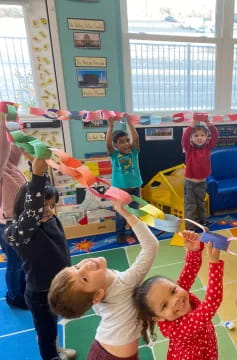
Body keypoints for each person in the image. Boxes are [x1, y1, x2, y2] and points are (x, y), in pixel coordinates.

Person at [48, 200, 158, 360]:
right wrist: (127, 214)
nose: (85, 265)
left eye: (77, 267)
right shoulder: (125, 283)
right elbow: (151, 246)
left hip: (102, 348)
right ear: (97, 296)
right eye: (84, 278)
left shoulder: (95, 295)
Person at [4, 158, 76, 360]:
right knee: (46, 334)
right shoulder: (17, 233)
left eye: (52, 205)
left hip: (57, 288)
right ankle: (51, 357)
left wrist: (39, 167)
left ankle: (57, 351)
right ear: (26, 206)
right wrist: (36, 177)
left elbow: (40, 197)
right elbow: (31, 214)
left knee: (53, 325)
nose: (49, 210)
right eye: (43, 206)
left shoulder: (51, 219)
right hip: (40, 294)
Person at [133, 231, 223, 360]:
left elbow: (190, 269)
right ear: (158, 318)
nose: (175, 300)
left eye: (173, 291)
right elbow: (213, 301)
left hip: (206, 347)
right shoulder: (180, 329)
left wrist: (194, 250)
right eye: (164, 305)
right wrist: (215, 265)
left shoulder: (178, 297)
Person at [0, 111, 27, 309]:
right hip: (7, 223)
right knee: (15, 263)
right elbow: (3, 148)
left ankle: (23, 291)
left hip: (20, 220)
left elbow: (12, 151)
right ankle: (15, 296)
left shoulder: (10, 167)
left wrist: (17, 128)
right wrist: (2, 123)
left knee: (22, 261)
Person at [106, 116, 143, 244]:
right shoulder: (115, 155)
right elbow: (108, 144)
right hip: (120, 190)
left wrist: (129, 122)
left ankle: (135, 232)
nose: (126, 143)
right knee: (120, 214)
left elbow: (136, 138)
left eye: (127, 140)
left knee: (135, 212)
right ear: (116, 145)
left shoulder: (133, 152)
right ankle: (120, 234)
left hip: (134, 188)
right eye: (122, 142)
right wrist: (110, 127)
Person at [181, 119, 218, 229]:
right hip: (190, 183)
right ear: (192, 138)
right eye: (196, 135)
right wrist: (191, 126)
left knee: (201, 203)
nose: (199, 138)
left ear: (207, 137)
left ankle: (203, 221)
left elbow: (215, 136)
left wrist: (210, 125)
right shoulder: (189, 149)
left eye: (202, 135)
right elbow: (184, 139)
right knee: (190, 206)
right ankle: (189, 227)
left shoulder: (207, 147)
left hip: (202, 182)